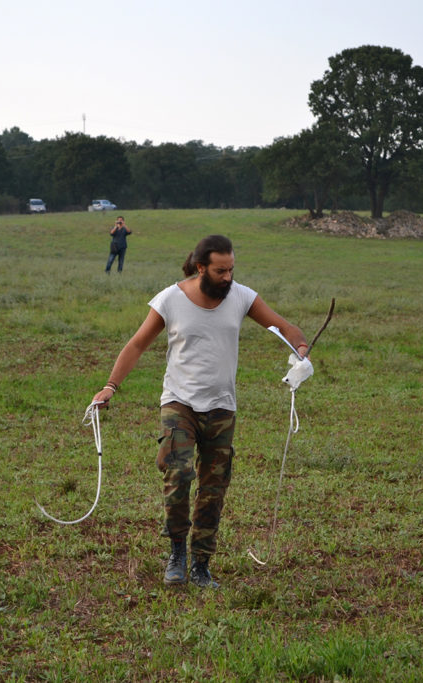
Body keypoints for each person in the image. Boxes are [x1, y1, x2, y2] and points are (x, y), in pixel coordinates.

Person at [91, 234, 310, 588]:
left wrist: (300, 347)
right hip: (179, 402)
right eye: (220, 270)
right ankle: (177, 552)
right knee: (177, 473)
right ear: (200, 267)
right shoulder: (171, 299)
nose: (228, 277)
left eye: (231, 269)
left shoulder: (241, 296)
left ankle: (201, 564)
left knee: (214, 487)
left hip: (222, 406)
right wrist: (110, 386)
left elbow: (284, 326)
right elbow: (136, 344)